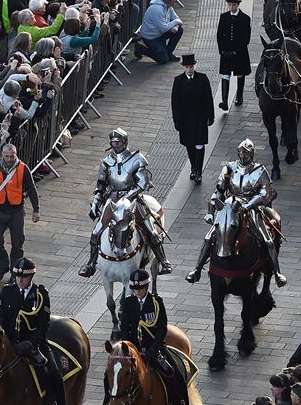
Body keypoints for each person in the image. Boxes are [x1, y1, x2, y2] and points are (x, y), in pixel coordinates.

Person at [186, 138, 287, 286]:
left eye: (246, 154)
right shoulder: (229, 168)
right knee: (209, 237)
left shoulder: (260, 170)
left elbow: (265, 193)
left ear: (251, 154)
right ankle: (197, 269)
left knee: (267, 239)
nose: (243, 156)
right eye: (241, 153)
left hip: (250, 207)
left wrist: (250, 204)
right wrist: (210, 211)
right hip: (229, 206)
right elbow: (219, 190)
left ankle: (277, 273)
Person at [78, 128, 171, 277]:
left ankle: (164, 261)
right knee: (96, 232)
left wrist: (128, 198)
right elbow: (100, 186)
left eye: (118, 142)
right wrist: (95, 204)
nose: (116, 145)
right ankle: (90, 264)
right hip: (112, 200)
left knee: (151, 231)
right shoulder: (107, 162)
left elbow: (143, 183)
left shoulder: (137, 159)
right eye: (113, 142)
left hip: (132, 199)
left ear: (125, 142)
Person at [0, 258, 66, 405]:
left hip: (35, 345)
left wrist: (31, 343)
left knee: (54, 375)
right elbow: (2, 319)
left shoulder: (40, 295)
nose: (20, 280)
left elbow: (43, 325)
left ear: (31, 277)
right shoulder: (7, 291)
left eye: (24, 277)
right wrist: (11, 342)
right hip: (12, 343)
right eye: (18, 276)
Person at [115, 269, 188, 405]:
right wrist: (128, 346)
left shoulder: (156, 303)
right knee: (114, 373)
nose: (137, 291)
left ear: (146, 286)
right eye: (135, 288)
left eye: (140, 288)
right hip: (134, 349)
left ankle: (182, 401)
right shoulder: (129, 303)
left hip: (154, 349)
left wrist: (153, 349)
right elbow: (124, 327)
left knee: (177, 376)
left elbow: (162, 328)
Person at [0, 143, 40, 283]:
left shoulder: (23, 168)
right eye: (6, 156)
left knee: (17, 243)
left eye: (12, 156)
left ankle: (15, 271)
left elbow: (32, 189)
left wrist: (36, 210)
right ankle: (2, 267)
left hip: (16, 212)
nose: (9, 159)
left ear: (16, 154)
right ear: (2, 155)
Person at [171, 54, 214, 184]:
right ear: (184, 67)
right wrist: (176, 120)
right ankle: (193, 167)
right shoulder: (178, 81)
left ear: (194, 66)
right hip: (185, 120)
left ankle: (199, 172)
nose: (189, 69)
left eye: (191, 66)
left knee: (199, 144)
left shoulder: (202, 78)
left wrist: (210, 115)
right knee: (189, 145)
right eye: (187, 67)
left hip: (200, 118)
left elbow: (208, 98)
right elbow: (175, 102)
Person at [216, 0, 251, 111]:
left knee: (240, 74)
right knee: (225, 74)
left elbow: (245, 38)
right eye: (230, 5)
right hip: (226, 52)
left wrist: (236, 51)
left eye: (234, 5)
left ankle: (239, 96)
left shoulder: (245, 19)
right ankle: (224, 101)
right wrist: (222, 51)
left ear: (237, 5)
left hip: (239, 53)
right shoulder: (223, 17)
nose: (231, 7)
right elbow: (219, 35)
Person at [135, 0, 183, 64]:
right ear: (169, 0)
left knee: (179, 30)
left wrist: (176, 26)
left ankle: (168, 53)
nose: (175, 3)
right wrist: (176, 22)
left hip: (159, 33)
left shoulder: (168, 6)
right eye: (174, 0)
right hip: (151, 37)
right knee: (163, 60)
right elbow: (164, 28)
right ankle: (140, 48)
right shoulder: (157, 9)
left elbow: (177, 19)